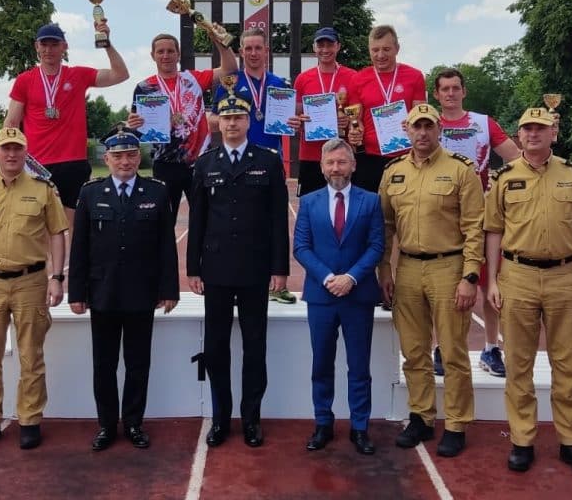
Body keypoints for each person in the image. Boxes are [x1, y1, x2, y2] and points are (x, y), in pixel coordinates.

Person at [485, 107, 572, 476]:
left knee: (568, 364)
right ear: (519, 136)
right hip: (518, 277)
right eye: (526, 129)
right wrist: (491, 280)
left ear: (553, 133)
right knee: (518, 364)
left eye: (540, 129)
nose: (533, 134)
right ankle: (522, 440)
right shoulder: (504, 178)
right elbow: (493, 231)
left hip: (565, 277)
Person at [378, 104, 484, 458]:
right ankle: (421, 416)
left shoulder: (460, 170)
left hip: (448, 267)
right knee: (414, 350)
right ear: (406, 129)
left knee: (452, 351)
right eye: (417, 127)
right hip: (407, 268)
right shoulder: (393, 172)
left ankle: (456, 423)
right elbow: (386, 227)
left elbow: (474, 228)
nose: (423, 133)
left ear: (440, 129)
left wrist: (470, 277)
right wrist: (384, 270)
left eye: (429, 126)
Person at [187, 80, 289, 448]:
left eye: (238, 117)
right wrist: (193, 269)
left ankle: (251, 418)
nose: (232, 123)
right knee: (216, 347)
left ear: (249, 121)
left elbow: (278, 219)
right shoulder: (204, 164)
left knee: (254, 346)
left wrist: (280, 268)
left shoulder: (268, 161)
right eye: (226, 117)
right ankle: (220, 419)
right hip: (215, 269)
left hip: (254, 268)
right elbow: (197, 218)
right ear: (218, 122)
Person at [0, 127, 69, 451]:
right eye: (5, 149)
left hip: (31, 282)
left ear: (25, 153)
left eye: (17, 149)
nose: (11, 154)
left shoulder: (43, 189)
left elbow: (57, 233)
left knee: (31, 355)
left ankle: (30, 420)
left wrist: (57, 277)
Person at [69, 126, 179, 451]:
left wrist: (169, 288)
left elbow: (165, 247)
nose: (125, 161)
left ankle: (133, 423)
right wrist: (77, 293)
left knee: (137, 363)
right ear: (106, 159)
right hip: (102, 294)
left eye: (131, 154)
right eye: (118, 156)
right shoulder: (90, 194)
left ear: (139, 156)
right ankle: (106, 425)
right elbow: (80, 249)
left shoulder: (157, 192)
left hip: (141, 293)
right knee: (103, 365)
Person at [293, 138, 384, 455]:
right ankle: (323, 423)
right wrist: (330, 278)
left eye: (342, 162)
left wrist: (351, 278)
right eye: (330, 163)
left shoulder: (371, 201)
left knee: (359, 366)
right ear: (321, 166)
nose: (336, 168)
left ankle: (360, 427)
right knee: (322, 364)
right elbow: (301, 247)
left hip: (357, 296)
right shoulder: (309, 202)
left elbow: (376, 246)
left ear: (353, 165)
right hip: (321, 295)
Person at [433, 67, 521, 378]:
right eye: (444, 89)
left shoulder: (483, 123)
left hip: (479, 216)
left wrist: (500, 190)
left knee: (486, 284)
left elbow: (517, 159)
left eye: (455, 88)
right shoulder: (428, 124)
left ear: (464, 92)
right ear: (436, 94)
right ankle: (442, 347)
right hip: (439, 217)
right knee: (443, 285)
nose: (450, 94)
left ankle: (490, 347)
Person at [3, 22, 129, 232]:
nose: (48, 50)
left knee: (71, 227)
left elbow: (120, 74)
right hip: (37, 165)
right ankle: (42, 266)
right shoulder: (25, 80)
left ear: (65, 47)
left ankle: (67, 266)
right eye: (44, 45)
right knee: (35, 228)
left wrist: (106, 43)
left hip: (73, 162)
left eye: (54, 44)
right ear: (36, 47)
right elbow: (11, 123)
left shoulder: (78, 75)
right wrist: (5, 155)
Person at [211, 27, 295, 304]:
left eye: (259, 48)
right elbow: (212, 120)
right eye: (248, 48)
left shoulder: (281, 85)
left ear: (267, 51)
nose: (254, 53)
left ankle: (276, 282)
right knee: (237, 222)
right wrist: (230, 117)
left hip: (270, 163)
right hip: (235, 163)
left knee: (273, 222)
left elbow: (292, 120)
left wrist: (294, 121)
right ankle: (237, 281)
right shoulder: (229, 82)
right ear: (241, 52)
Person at [125, 32, 237, 224]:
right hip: (165, 163)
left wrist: (219, 41)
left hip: (199, 161)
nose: (165, 55)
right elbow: (139, 129)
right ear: (153, 55)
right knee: (164, 222)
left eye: (170, 51)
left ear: (178, 54)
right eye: (160, 51)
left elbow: (230, 69)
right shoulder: (144, 87)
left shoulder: (192, 79)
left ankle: (202, 255)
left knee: (205, 219)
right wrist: (133, 125)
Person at [346, 25, 427, 192]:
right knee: (369, 212)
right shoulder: (358, 79)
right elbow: (355, 119)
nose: (380, 55)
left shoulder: (415, 76)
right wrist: (354, 130)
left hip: (406, 157)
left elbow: (420, 116)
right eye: (375, 50)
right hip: (369, 158)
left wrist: (413, 123)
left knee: (405, 213)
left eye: (386, 49)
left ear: (397, 48)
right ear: (369, 50)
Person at [289, 27, 358, 196]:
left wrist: (349, 121)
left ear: (338, 46)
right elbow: (295, 118)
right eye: (321, 45)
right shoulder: (303, 79)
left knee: (344, 207)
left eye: (330, 45)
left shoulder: (352, 76)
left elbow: (357, 115)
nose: (325, 50)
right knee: (310, 208)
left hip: (341, 158)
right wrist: (299, 121)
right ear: (314, 47)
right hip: (311, 156)